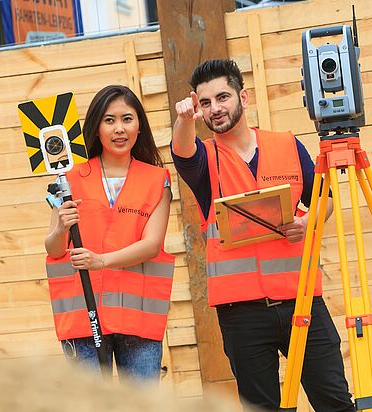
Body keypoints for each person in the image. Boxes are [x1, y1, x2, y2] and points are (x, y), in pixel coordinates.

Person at [171, 59, 355, 411]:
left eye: (222, 97)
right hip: (242, 316)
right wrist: (184, 120)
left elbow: (324, 199)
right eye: (205, 103)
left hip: (302, 302)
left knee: (335, 403)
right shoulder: (204, 160)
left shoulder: (286, 144)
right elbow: (182, 152)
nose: (215, 109)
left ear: (244, 95)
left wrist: (308, 223)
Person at [44, 85, 175, 382]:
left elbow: (152, 245)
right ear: (96, 127)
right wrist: (61, 226)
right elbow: (53, 249)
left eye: (127, 119)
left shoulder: (158, 179)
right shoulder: (69, 178)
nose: (119, 128)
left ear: (139, 125)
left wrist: (99, 260)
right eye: (109, 120)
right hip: (83, 320)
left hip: (138, 322)